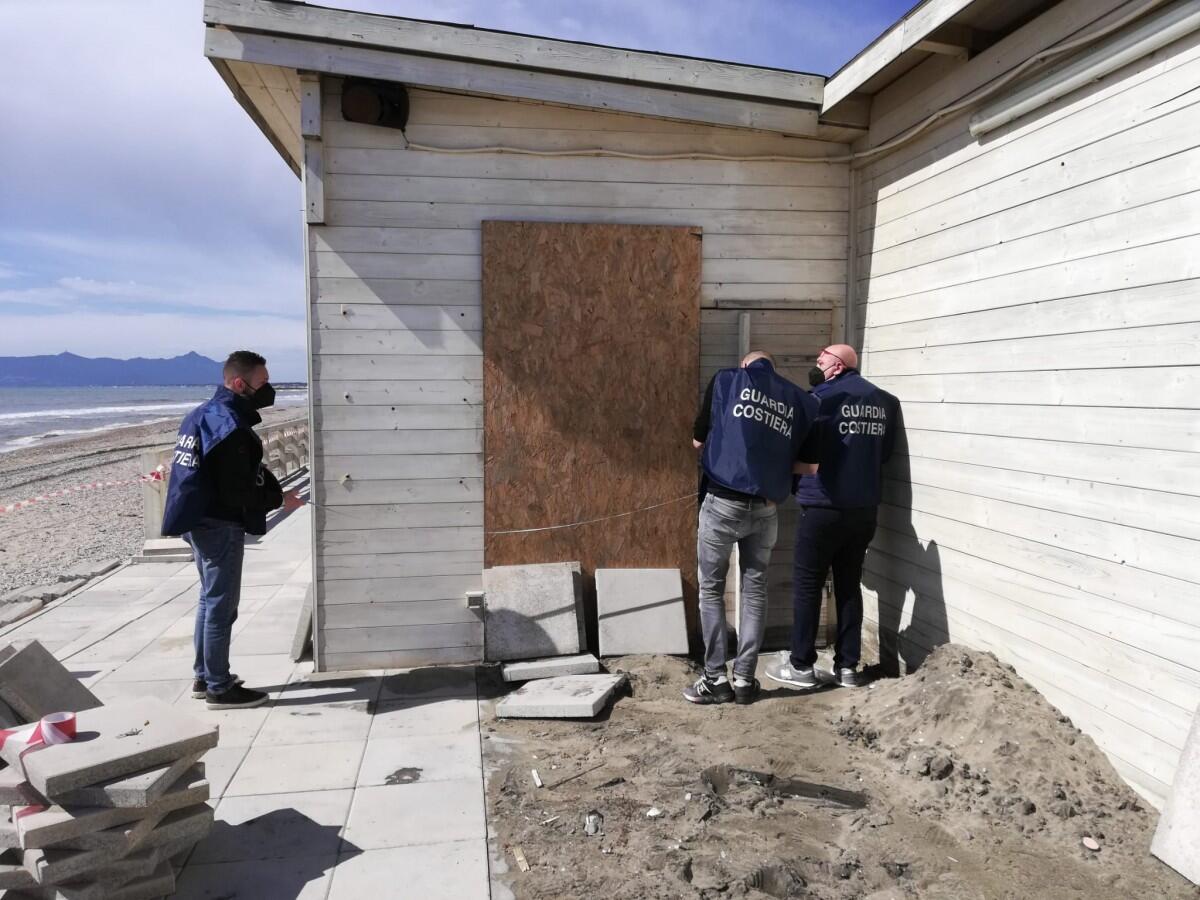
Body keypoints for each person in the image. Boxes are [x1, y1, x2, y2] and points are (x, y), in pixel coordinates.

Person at [162, 350, 300, 709]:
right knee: (222, 606)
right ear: (240, 383)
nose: (269, 389)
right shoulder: (229, 427)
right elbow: (238, 490)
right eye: (263, 382)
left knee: (209, 601)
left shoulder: (201, 415)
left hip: (196, 519)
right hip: (217, 524)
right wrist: (279, 499)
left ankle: (204, 676)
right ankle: (220, 688)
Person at [684, 350, 819, 706]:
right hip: (766, 507)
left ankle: (715, 679)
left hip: (722, 503)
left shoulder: (727, 381)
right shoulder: (797, 401)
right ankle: (744, 679)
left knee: (711, 589)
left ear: (746, 367)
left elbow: (698, 442)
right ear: (773, 370)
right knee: (755, 589)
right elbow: (810, 467)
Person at [765, 344, 898, 691]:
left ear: (837, 367)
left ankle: (801, 666)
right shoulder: (886, 402)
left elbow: (802, 449)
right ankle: (848, 668)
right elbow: (884, 454)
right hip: (865, 510)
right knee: (848, 585)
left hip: (823, 506)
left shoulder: (820, 400)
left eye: (820, 359)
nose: (816, 364)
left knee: (808, 585)